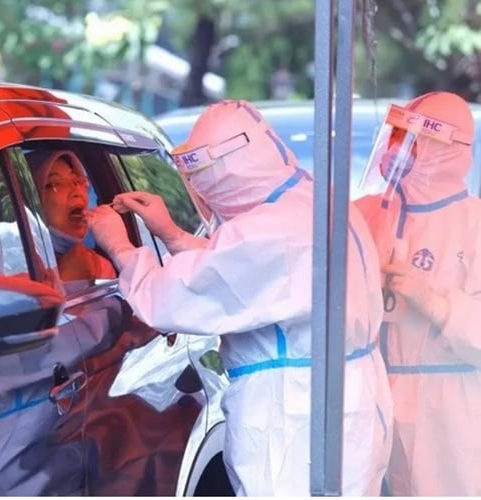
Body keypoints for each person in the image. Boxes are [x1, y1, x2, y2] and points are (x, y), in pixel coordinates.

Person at [86, 99, 393, 496]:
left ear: (225, 170)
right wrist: (175, 237)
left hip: (292, 418)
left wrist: (120, 247)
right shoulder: (314, 202)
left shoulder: (272, 231)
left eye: (199, 176)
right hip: (343, 404)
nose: (198, 188)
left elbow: (172, 299)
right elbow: (245, 277)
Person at [355, 91, 481, 496]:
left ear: (445, 149)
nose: (395, 151)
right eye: (393, 136)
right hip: (369, 396)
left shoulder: (474, 224)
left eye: (409, 140)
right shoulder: (365, 215)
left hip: (449, 411)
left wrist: (437, 304)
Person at [27, 149, 116, 281]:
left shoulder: (100, 267)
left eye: (78, 181)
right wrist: (69, 280)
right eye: (57, 183)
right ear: (32, 201)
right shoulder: (15, 266)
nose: (77, 191)